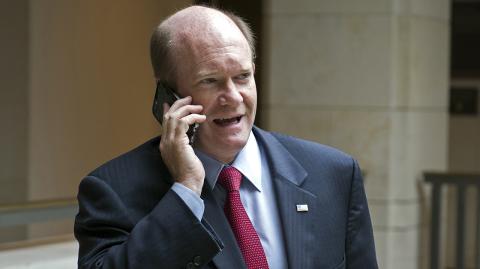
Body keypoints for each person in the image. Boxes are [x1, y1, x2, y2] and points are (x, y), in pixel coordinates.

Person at [74, 5, 378, 269]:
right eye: (210, 81)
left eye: (243, 76)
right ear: (168, 96)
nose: (233, 97)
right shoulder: (112, 190)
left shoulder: (333, 174)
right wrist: (186, 192)